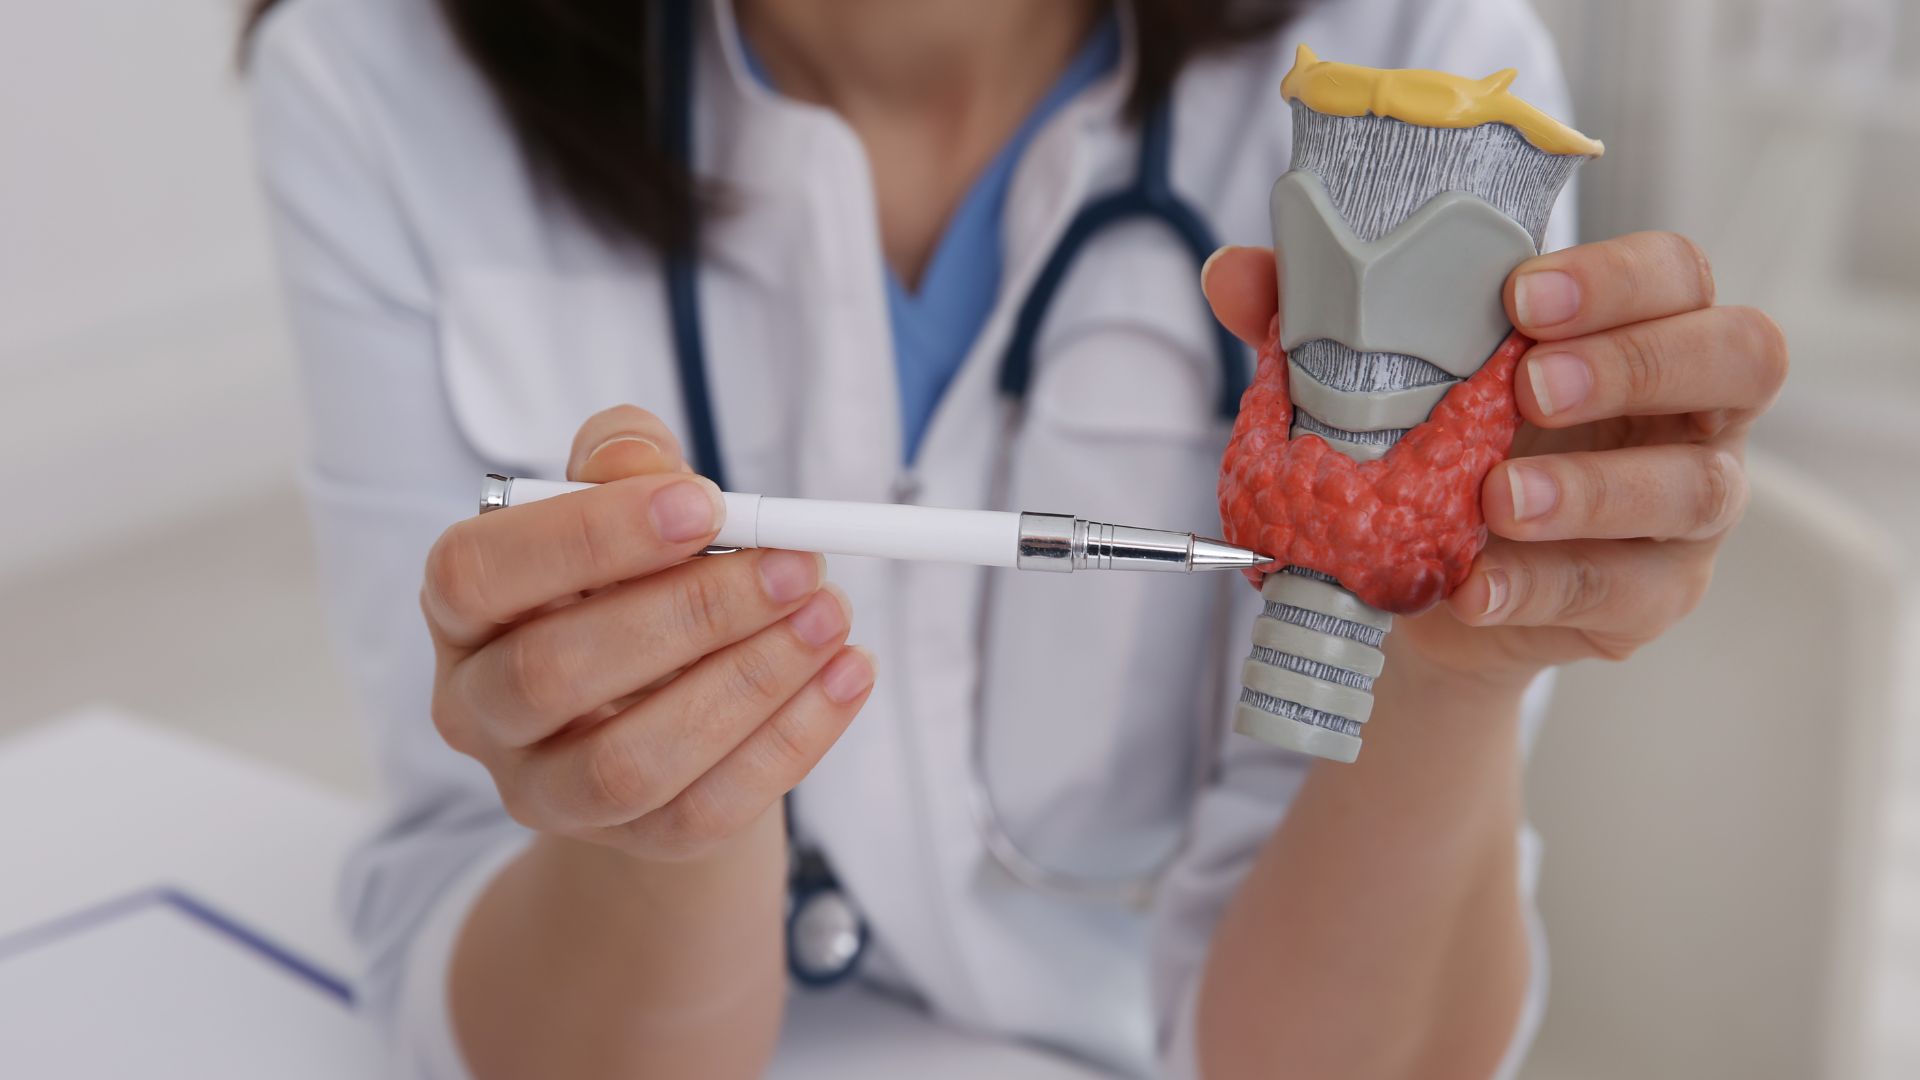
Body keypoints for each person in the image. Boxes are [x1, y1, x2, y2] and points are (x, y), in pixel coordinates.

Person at [243, 0, 1786, 1077]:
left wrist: (1448, 680)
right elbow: (511, 998)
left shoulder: (1430, 72)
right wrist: (664, 808)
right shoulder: (372, 79)